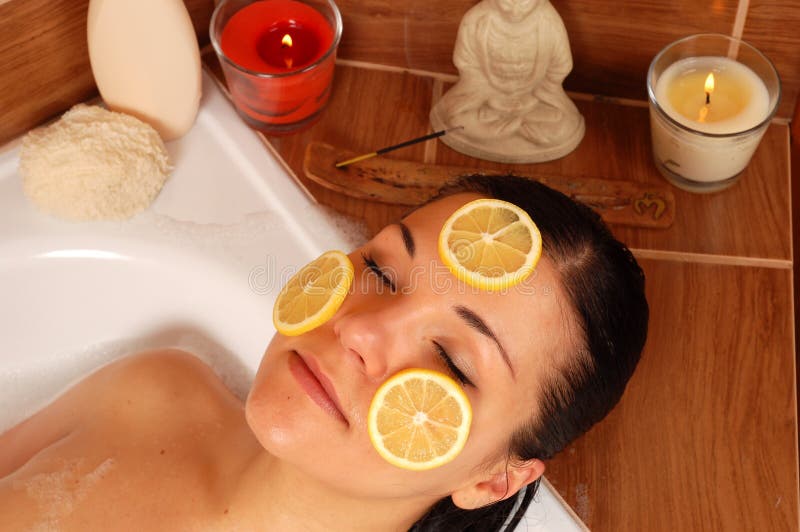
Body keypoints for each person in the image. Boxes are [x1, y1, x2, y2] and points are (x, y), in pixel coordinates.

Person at [0, 174, 648, 531]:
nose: (360, 331)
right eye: (384, 274)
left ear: (492, 480)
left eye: (451, 363)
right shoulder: (151, 393)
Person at [430, 0, 585, 163]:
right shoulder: (477, 19)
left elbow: (561, 65)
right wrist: (485, 88)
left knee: (566, 126)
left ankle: (496, 126)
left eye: (524, 4)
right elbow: (466, 62)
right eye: (507, 4)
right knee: (455, 120)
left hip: (534, 95)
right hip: (486, 91)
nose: (515, 12)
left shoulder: (548, 21)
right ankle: (506, 127)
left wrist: (538, 88)